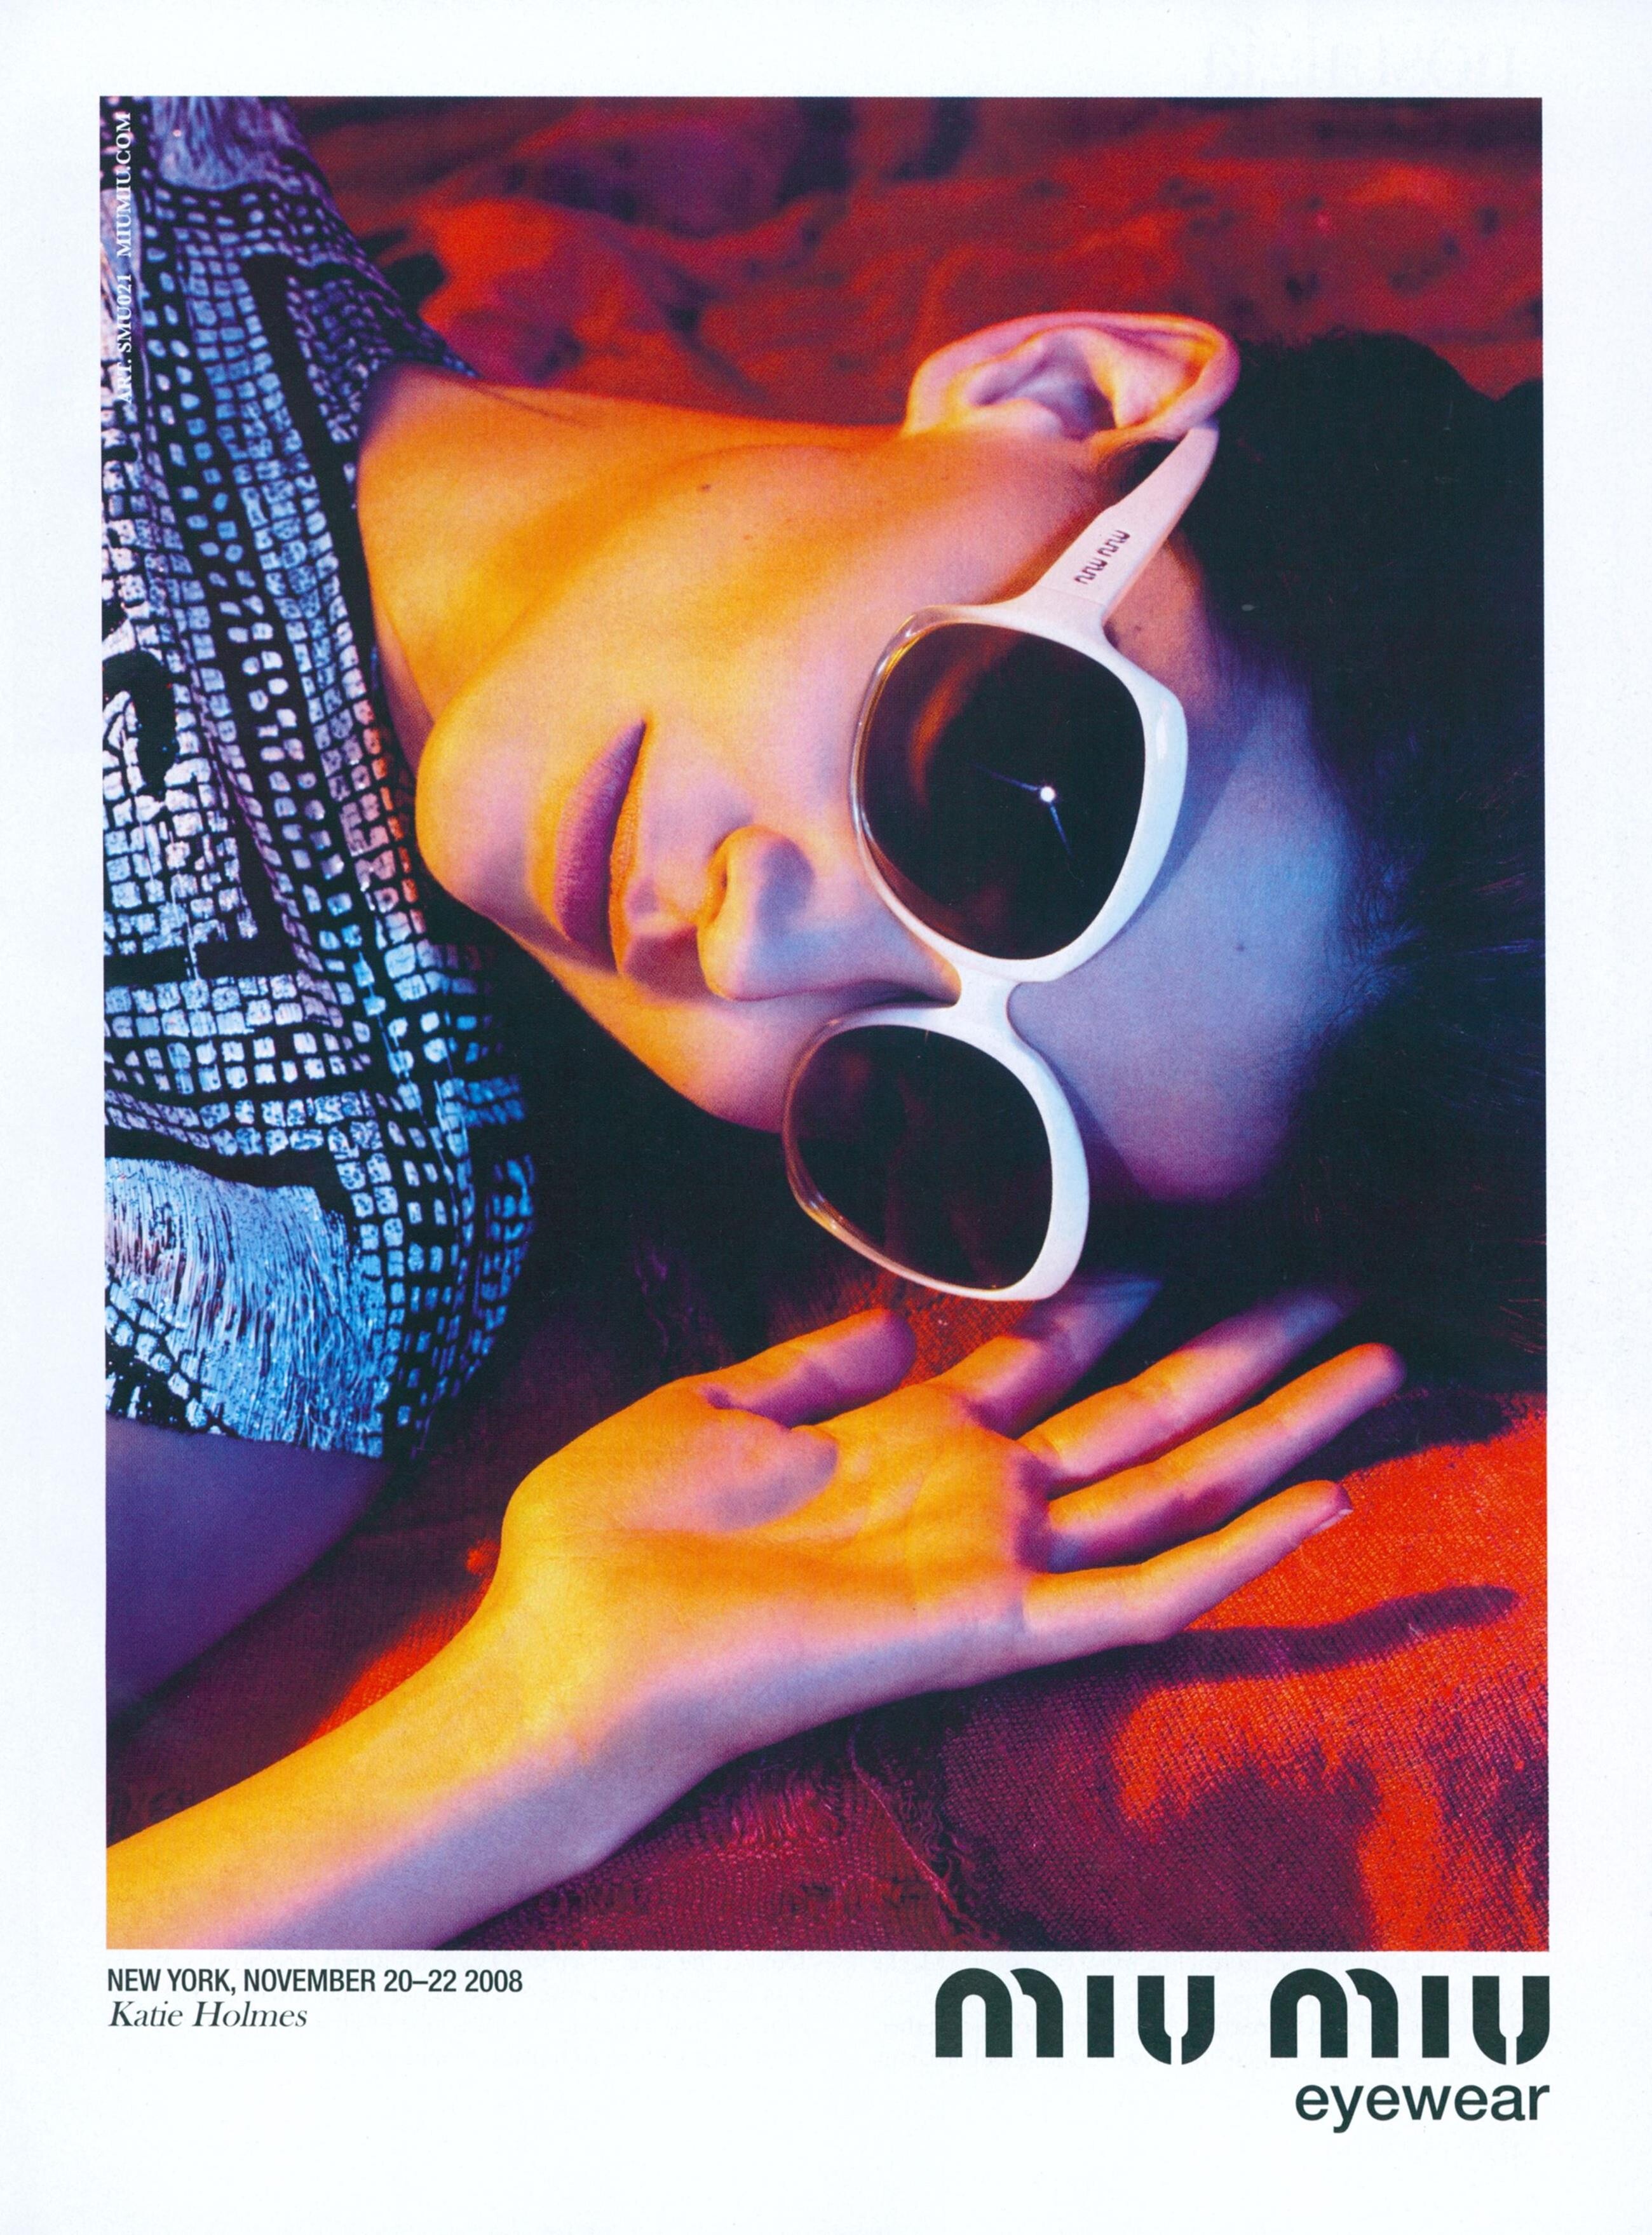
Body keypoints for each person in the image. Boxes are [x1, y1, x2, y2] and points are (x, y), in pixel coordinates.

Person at [102, 100, 1538, 1948]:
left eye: (945, 1116)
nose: (761, 949)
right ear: (1068, 384)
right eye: (1006, 799)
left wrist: (540, 1726)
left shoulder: (262, 1283)